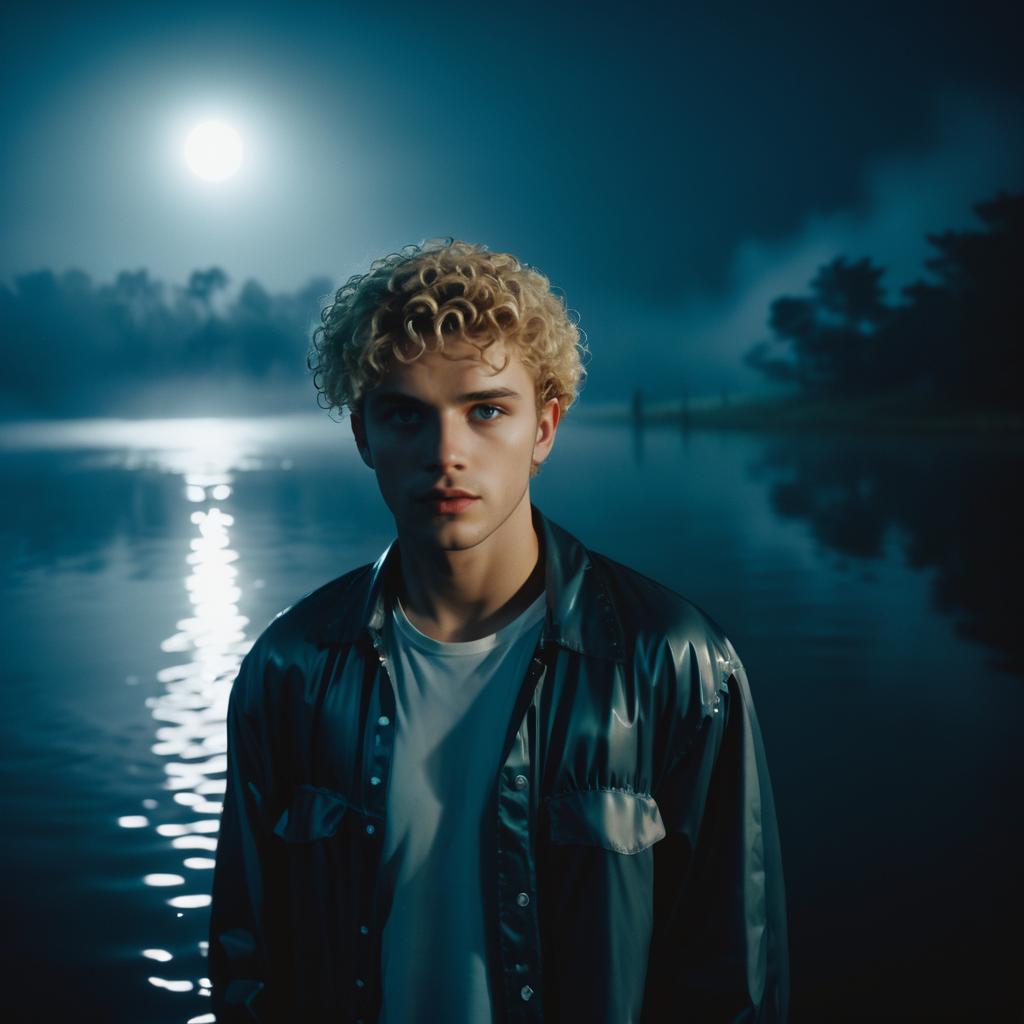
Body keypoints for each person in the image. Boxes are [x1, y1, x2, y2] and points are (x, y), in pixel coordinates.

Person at [208, 238, 789, 1023]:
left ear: (544, 427)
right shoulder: (293, 667)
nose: (446, 455)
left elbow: (732, 980)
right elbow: (248, 960)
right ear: (362, 437)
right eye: (406, 415)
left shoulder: (674, 662)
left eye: (486, 410)